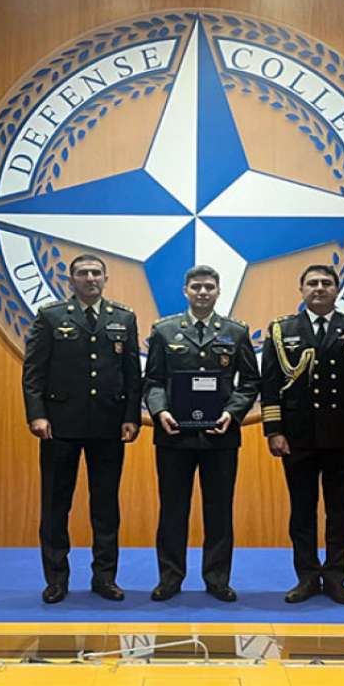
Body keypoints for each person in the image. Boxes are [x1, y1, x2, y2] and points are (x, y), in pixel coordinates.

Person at [260, 264, 344, 605]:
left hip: (343, 436)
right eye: (312, 283)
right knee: (302, 511)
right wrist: (274, 430)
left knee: (339, 511)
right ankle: (306, 576)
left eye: (326, 283)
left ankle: (335, 577)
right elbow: (270, 385)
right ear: (301, 290)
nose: (319, 288)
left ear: (337, 289)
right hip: (297, 437)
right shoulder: (282, 330)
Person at [22, 253, 141, 604]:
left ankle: (105, 578)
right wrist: (37, 415)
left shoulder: (123, 318)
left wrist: (131, 416)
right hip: (60, 425)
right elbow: (33, 372)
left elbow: (132, 374)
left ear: (105, 278)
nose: (90, 279)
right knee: (55, 505)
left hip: (108, 425)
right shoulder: (51, 316)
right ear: (71, 280)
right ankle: (56, 579)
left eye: (96, 273)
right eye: (83, 273)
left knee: (105, 507)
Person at [144, 265, 259, 602]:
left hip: (220, 435)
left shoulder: (236, 332)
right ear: (186, 291)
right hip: (174, 434)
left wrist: (232, 413)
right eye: (196, 287)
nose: (203, 292)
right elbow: (152, 381)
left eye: (209, 287)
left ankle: (217, 579)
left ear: (219, 291)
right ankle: (170, 578)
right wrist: (160, 411)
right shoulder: (164, 330)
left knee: (219, 510)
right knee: (172, 510)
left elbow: (250, 382)